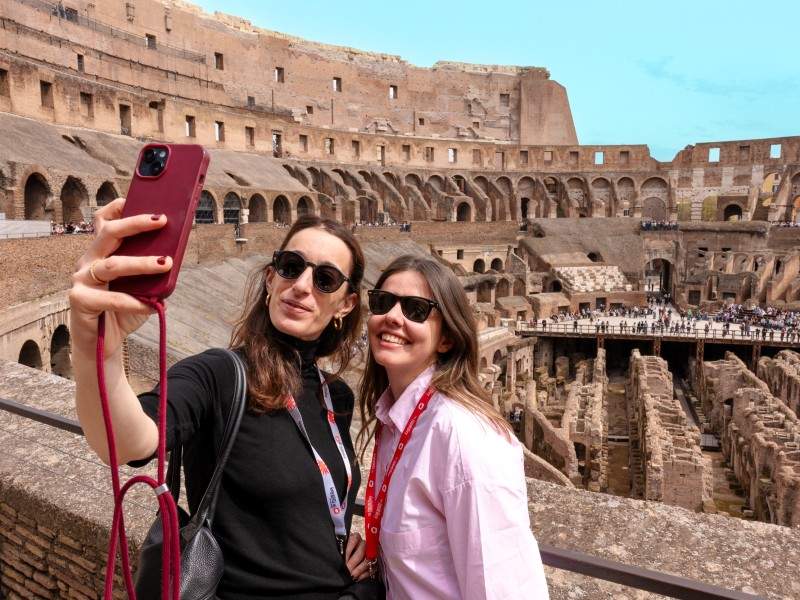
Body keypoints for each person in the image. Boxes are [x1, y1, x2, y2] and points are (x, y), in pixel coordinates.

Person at [69, 200, 372, 599]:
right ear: (270, 278)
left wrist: (341, 542)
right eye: (291, 267)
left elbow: (312, 502)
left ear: (346, 303)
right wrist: (97, 346)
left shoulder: (337, 395)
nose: (301, 286)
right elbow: (126, 442)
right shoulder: (220, 375)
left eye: (326, 279)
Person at [356, 255, 549, 599]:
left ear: (446, 339)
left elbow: (502, 588)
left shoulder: (463, 436)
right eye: (382, 303)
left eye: (415, 309)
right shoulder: (396, 418)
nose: (392, 318)